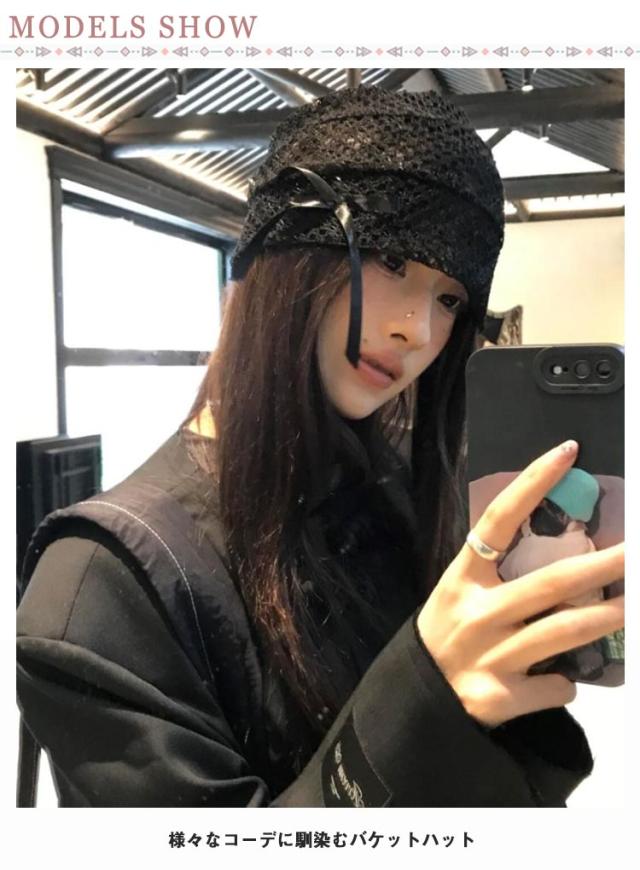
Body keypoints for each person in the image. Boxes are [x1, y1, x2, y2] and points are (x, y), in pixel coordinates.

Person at [16, 86, 624, 807]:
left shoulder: (403, 485)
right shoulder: (100, 586)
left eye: (450, 299)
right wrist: (428, 693)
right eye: (391, 260)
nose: (417, 330)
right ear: (283, 254)